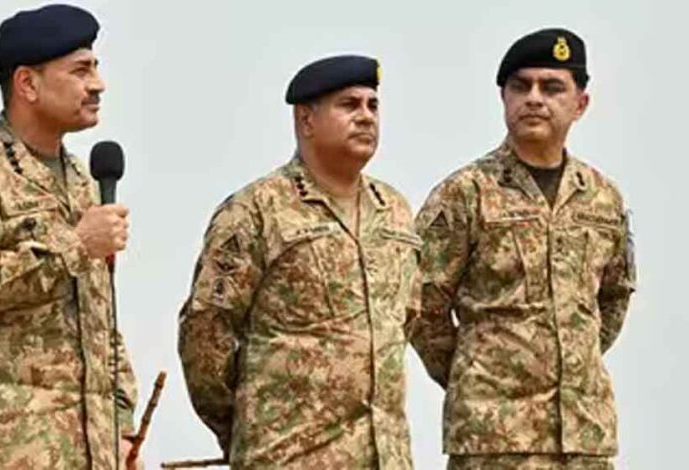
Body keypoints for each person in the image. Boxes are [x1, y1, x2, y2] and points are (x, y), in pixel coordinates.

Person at [0, 5, 139, 468]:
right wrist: (77, 245)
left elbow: (99, 319)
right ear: (27, 84)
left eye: (96, 67)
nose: (98, 84)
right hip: (0, 452)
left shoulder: (82, 180)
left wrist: (121, 423)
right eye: (80, 70)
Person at [179, 55, 423, 469]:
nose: (366, 117)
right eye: (349, 105)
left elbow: (405, 320)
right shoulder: (257, 210)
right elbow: (206, 334)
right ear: (306, 120)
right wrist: (249, 425)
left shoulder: (394, 211)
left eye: (373, 106)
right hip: (289, 455)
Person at [412, 28, 637, 470]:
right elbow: (421, 303)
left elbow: (613, 299)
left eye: (551, 88)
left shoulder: (602, 198)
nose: (534, 98)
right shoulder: (466, 193)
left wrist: (569, 363)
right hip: (492, 439)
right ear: (504, 98)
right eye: (521, 86)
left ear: (580, 104)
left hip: (584, 438)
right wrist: (476, 372)